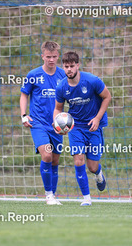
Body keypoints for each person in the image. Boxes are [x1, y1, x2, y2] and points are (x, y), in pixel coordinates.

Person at [54, 51, 111, 206]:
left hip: (93, 126)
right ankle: (87, 198)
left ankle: (98, 174)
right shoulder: (61, 87)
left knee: (92, 166)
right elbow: (58, 109)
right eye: (66, 67)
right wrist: (56, 122)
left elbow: (107, 97)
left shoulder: (92, 80)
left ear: (78, 65)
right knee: (79, 160)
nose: (69, 69)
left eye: (72, 66)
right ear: (63, 67)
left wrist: (97, 118)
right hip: (75, 127)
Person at [20, 41, 67, 205]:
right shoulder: (33, 75)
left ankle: (53, 195)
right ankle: (48, 195)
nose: (51, 60)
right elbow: (24, 94)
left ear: (58, 56)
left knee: (55, 160)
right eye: (48, 57)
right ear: (42, 56)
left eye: (54, 57)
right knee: (47, 155)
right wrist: (24, 115)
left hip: (57, 125)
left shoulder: (63, 75)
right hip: (38, 123)